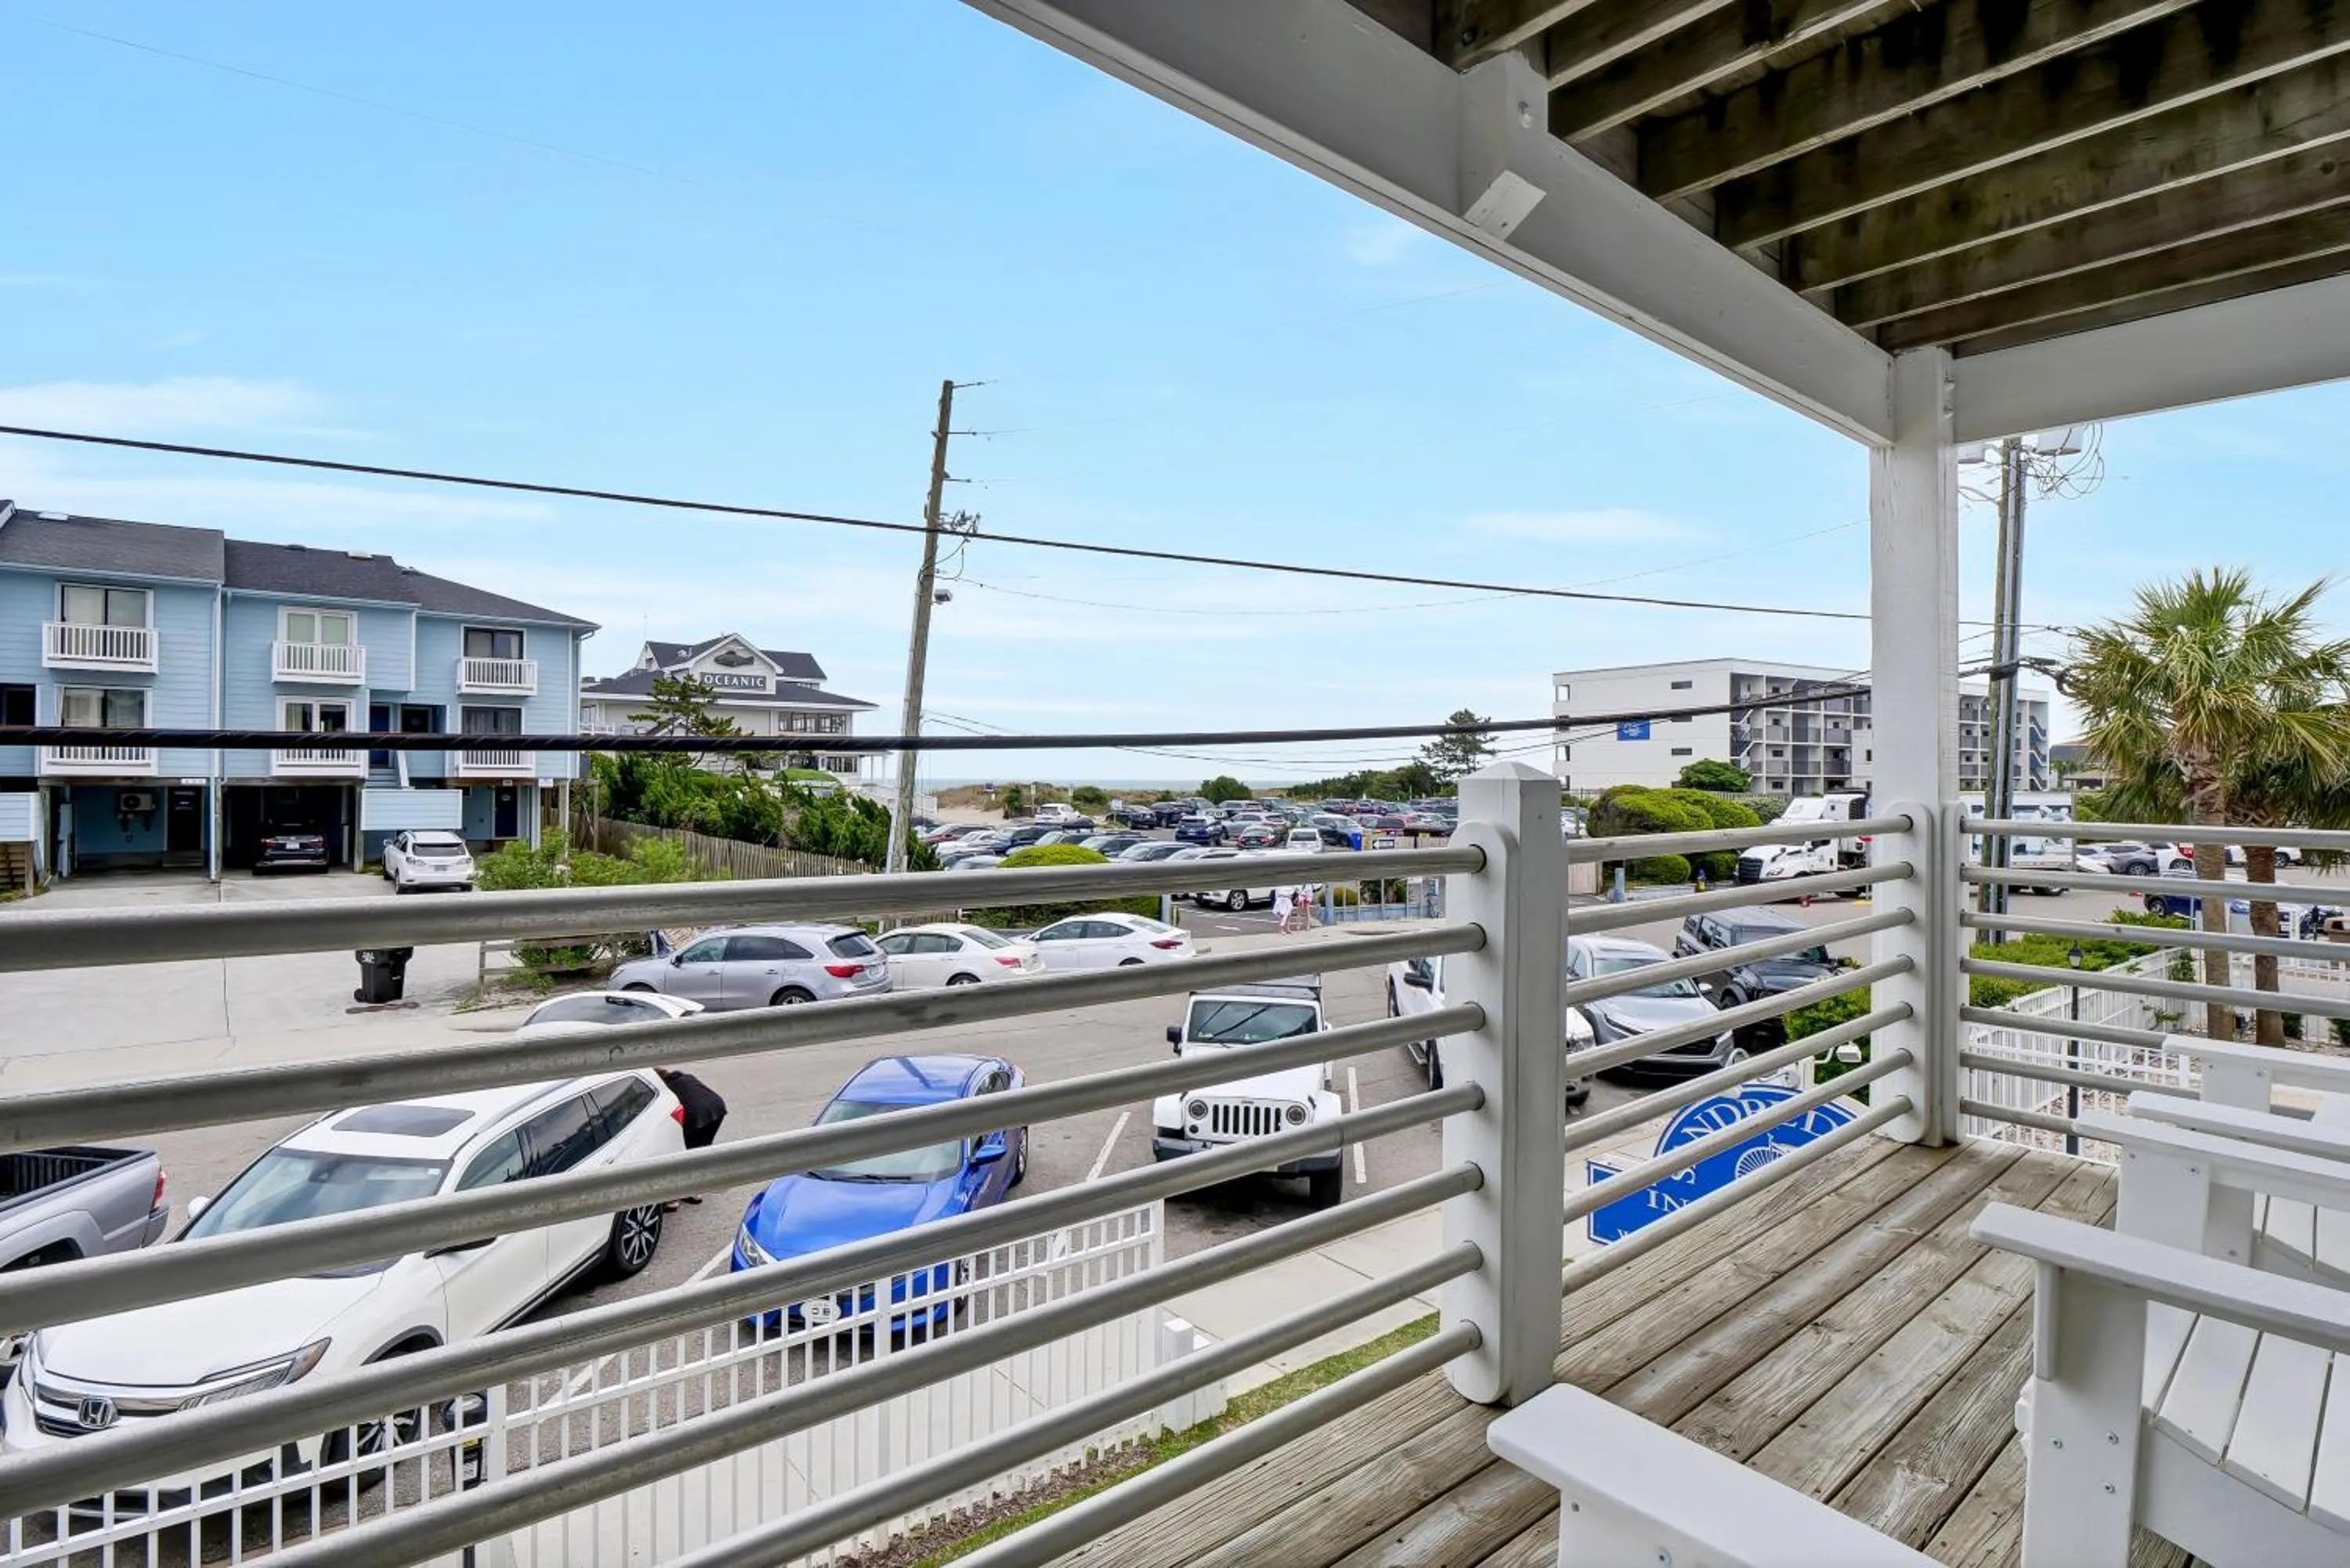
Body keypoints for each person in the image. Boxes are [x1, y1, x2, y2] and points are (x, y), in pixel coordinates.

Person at [656, 1068, 727, 1209]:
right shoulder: (686, 1077)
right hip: (717, 1108)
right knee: (700, 1150)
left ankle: (672, 1199)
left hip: (697, 1114)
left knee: (682, 1153)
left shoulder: (666, 1089)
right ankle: (692, 1191)